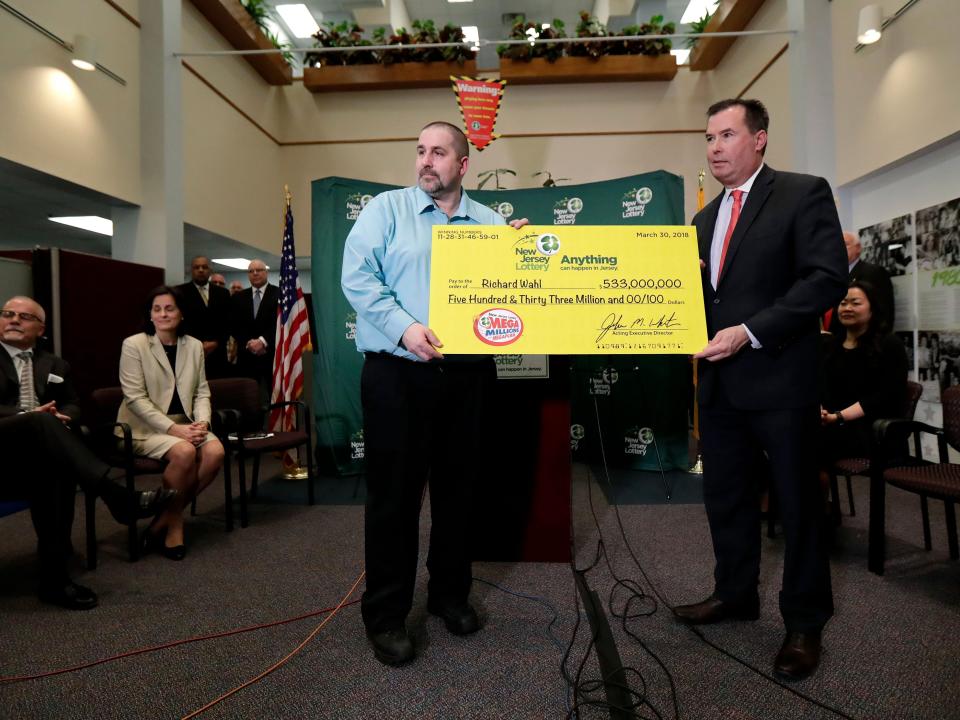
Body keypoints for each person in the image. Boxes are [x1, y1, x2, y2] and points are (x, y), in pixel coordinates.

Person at [341, 120, 527, 666]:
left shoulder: (492, 223)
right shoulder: (385, 211)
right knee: (394, 500)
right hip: (397, 374)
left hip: (466, 375)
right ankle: (386, 615)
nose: (426, 161)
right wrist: (404, 328)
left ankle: (450, 595)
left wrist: (528, 255)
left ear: (463, 164)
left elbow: (515, 295)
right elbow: (358, 278)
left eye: (439, 152)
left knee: (459, 494)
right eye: (420, 151)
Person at [675, 99, 848, 682]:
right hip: (720, 387)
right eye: (708, 137)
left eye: (727, 134)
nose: (715, 147)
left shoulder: (803, 193)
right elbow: (700, 303)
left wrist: (749, 333)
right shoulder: (701, 221)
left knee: (798, 505)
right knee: (725, 497)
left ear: (760, 140)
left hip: (780, 380)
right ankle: (734, 594)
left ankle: (804, 622)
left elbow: (825, 277)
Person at [0, 296, 176, 609]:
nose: (14, 320)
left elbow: (73, 405)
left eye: (24, 317)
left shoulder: (54, 364)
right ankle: (116, 495)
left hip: (36, 457)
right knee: (40, 423)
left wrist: (64, 417)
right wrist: (25, 416)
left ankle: (55, 581)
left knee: (56, 471)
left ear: (41, 329)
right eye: (8, 314)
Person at [118, 286, 225, 560]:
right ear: (150, 315)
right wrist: (173, 430)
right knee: (185, 451)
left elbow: (201, 391)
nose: (163, 314)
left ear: (181, 313)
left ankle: (161, 518)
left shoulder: (194, 346)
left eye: (170, 308)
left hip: (186, 423)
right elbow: (134, 398)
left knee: (215, 452)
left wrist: (202, 423)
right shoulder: (135, 344)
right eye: (157, 309)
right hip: (144, 428)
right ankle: (174, 525)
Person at [820, 281, 908, 467]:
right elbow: (822, 386)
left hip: (874, 429)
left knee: (804, 446)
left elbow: (885, 396)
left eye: (856, 303)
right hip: (834, 424)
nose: (847, 308)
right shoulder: (831, 345)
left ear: (872, 309)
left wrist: (839, 416)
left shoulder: (889, 345)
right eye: (843, 303)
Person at [176, 256, 232, 379]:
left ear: (210, 270)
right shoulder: (179, 292)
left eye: (204, 267)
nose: (201, 270)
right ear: (191, 270)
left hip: (217, 353)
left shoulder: (223, 293)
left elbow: (228, 322)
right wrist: (198, 344)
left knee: (219, 391)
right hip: (189, 352)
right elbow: (177, 323)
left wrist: (215, 342)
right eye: (197, 267)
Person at [827, 232, 894, 333]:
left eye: (844, 244)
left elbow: (884, 313)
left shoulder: (873, 272)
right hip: (835, 342)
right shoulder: (831, 276)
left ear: (858, 248)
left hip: (864, 342)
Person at [230, 260, 278, 397]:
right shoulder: (238, 298)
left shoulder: (279, 294)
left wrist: (263, 341)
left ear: (266, 272)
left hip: (271, 356)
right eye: (251, 271)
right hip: (246, 358)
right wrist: (250, 343)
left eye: (259, 270)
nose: (255, 273)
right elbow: (233, 325)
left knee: (273, 398)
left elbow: (280, 324)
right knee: (247, 399)